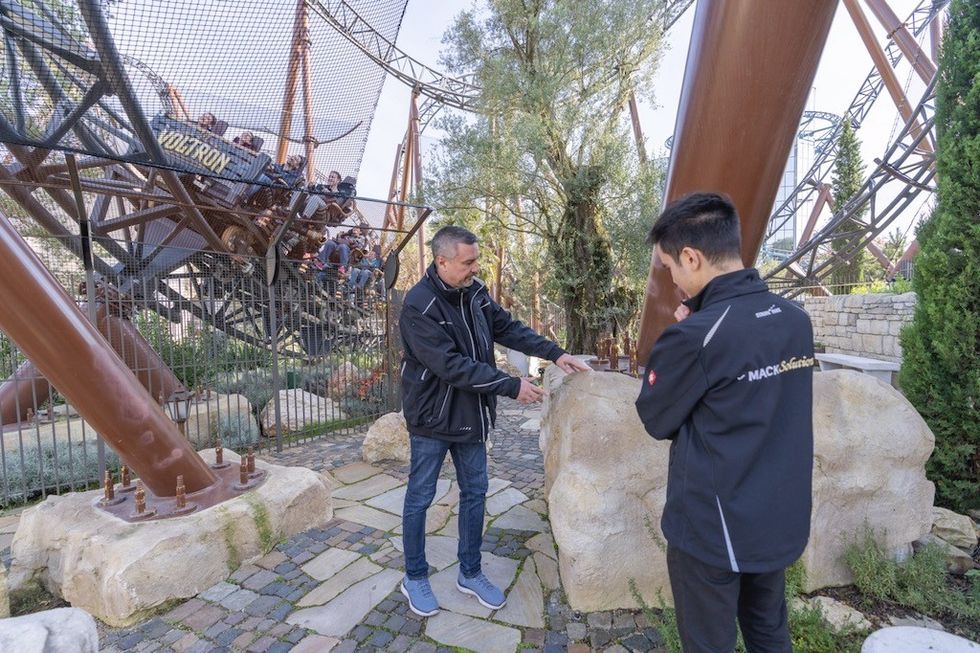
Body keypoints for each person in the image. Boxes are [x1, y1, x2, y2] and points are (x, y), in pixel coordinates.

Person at [634, 193, 814, 653]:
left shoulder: (695, 335)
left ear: (691, 257)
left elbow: (655, 417)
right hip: (777, 516)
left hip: (713, 531)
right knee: (768, 630)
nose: (670, 279)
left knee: (708, 643)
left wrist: (683, 335)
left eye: (669, 267)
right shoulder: (796, 322)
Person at [398, 225, 590, 617]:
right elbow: (450, 366)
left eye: (476, 261)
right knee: (420, 497)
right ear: (442, 261)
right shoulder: (419, 305)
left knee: (476, 492)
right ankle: (414, 576)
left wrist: (555, 354)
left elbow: (508, 328)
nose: (474, 268)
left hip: (470, 414)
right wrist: (509, 385)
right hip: (432, 417)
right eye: (468, 262)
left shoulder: (475, 293)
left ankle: (469, 572)